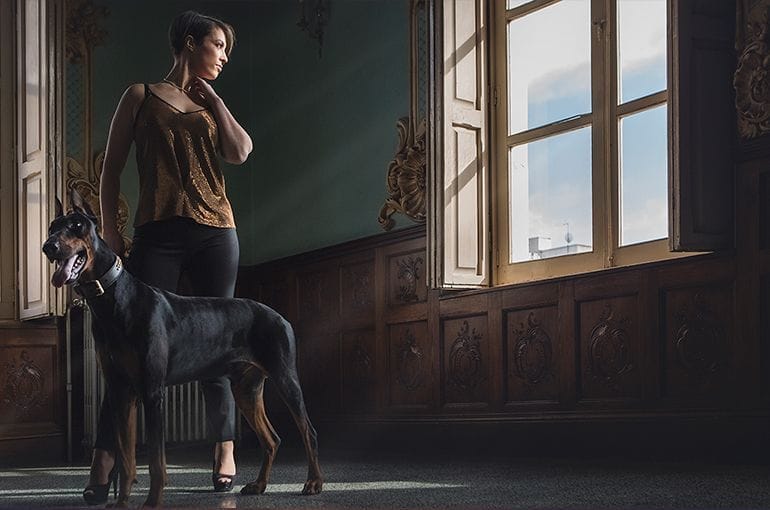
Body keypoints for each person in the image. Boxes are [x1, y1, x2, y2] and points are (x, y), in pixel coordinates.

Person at [82, 10, 253, 505]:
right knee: (125, 352)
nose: (222, 57)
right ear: (191, 41)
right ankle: (105, 460)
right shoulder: (139, 96)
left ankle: (224, 449)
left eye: (225, 50)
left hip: (217, 234)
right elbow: (110, 172)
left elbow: (240, 152)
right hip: (155, 233)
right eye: (217, 46)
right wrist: (111, 235)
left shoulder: (210, 106)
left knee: (218, 344)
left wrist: (216, 102)